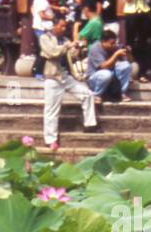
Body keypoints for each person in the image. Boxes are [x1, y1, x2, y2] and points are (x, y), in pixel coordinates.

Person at [40, 16, 98, 151]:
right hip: (52, 77)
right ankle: (50, 139)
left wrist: (77, 48)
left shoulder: (65, 40)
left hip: (66, 76)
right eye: (61, 26)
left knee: (87, 94)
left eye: (65, 26)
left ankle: (90, 125)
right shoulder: (45, 38)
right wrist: (67, 46)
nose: (63, 28)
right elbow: (52, 53)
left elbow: (72, 56)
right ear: (54, 26)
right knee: (51, 109)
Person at [119, 0, 151, 76]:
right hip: (131, 13)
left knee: (143, 42)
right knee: (130, 41)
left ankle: (143, 71)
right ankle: (131, 69)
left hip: (143, 11)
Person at [86, 25, 134, 102]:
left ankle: (122, 92)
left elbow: (130, 62)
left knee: (126, 66)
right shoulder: (95, 48)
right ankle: (96, 95)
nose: (114, 45)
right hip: (94, 78)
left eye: (115, 43)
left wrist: (128, 53)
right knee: (106, 73)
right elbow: (103, 66)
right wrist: (116, 55)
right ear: (103, 41)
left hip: (110, 76)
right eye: (111, 43)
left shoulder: (114, 47)